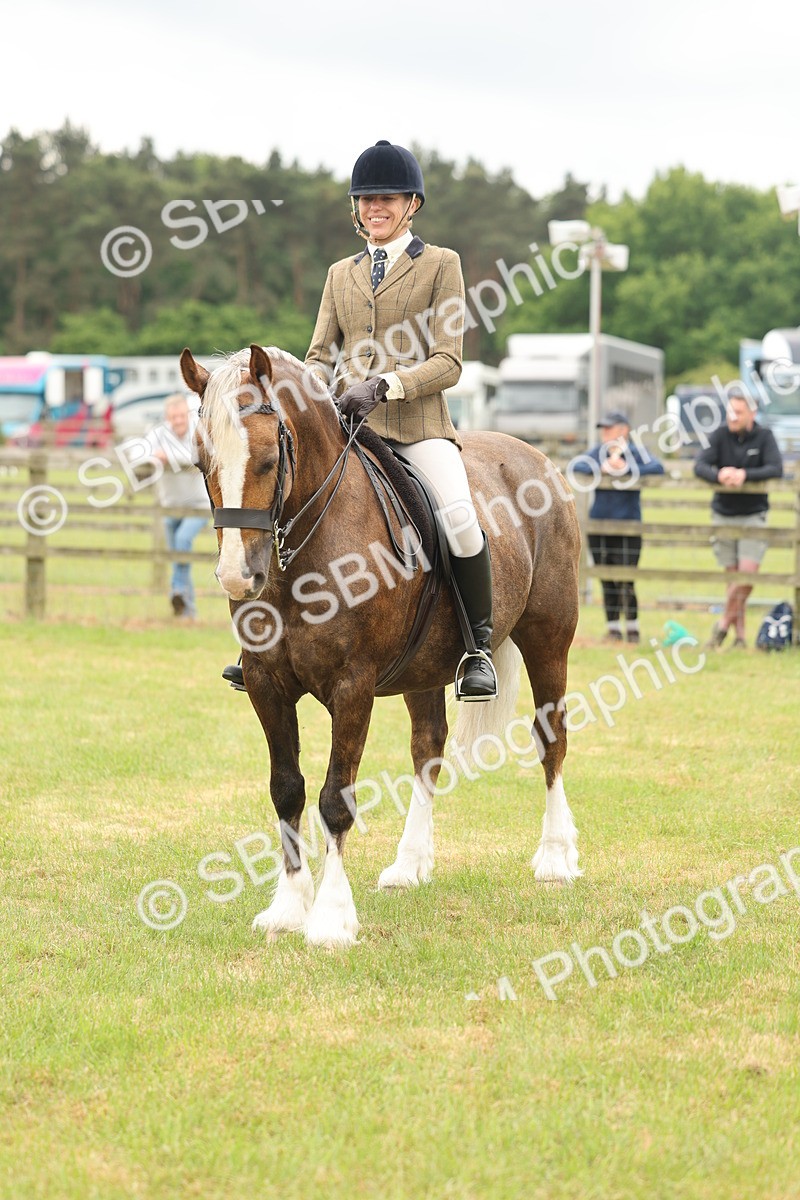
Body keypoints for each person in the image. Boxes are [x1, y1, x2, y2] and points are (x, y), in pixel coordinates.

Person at [224, 139, 496, 700]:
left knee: (461, 518)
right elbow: (320, 351)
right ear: (356, 208)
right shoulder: (339, 274)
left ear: (411, 203)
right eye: (367, 199)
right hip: (345, 429)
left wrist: (385, 385)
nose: (376, 207)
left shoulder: (442, 265)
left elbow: (449, 360)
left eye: (388, 198)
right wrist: (317, 386)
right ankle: (264, 644)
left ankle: (477, 649)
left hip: (417, 429)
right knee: (280, 511)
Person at [694, 389, 783, 648]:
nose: (733, 416)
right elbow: (699, 465)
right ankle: (741, 637)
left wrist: (745, 475)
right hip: (724, 514)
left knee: (747, 576)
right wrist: (719, 475)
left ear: (752, 413)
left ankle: (722, 625)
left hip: (754, 514)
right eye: (730, 411)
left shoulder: (765, 436)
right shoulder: (720, 435)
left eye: (739, 412)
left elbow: (776, 468)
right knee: (733, 578)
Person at [571, 411, 664, 643]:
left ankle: (632, 628)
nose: (605, 433)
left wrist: (626, 468)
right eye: (603, 429)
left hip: (628, 526)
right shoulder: (599, 452)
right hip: (600, 524)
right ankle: (612, 628)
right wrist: (601, 467)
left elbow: (658, 467)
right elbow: (578, 465)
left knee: (626, 578)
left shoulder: (636, 452)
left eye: (609, 429)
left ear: (624, 430)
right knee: (605, 577)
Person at [146, 393, 209, 620]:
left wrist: (167, 456)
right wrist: (154, 456)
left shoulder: (198, 432)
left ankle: (177, 591)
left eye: (182, 416)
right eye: (174, 417)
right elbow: (143, 455)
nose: (179, 421)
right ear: (167, 417)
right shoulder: (158, 434)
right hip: (169, 506)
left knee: (183, 541)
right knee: (178, 558)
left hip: (198, 505)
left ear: (187, 415)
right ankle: (187, 611)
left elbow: (197, 457)